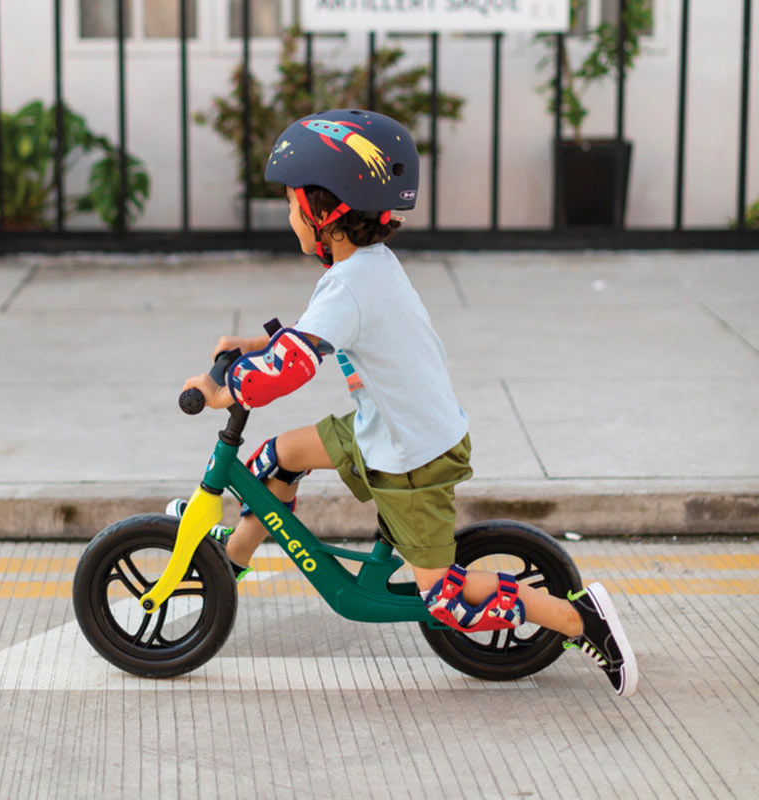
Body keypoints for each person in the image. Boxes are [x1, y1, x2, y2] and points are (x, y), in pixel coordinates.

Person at [173, 109, 638, 698]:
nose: (288, 215)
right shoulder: (362, 268)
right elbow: (314, 335)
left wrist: (224, 389)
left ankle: (577, 619)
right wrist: (257, 343)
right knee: (274, 459)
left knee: (446, 601)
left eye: (293, 204)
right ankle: (227, 567)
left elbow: (291, 369)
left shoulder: (351, 284)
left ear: (327, 214)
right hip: (386, 428)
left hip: (411, 456)